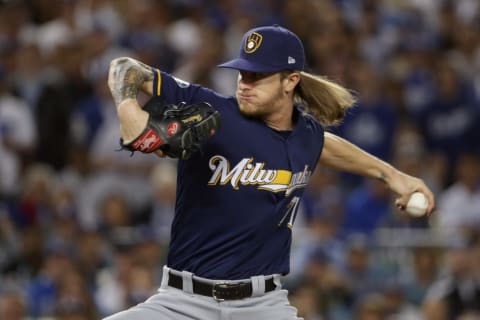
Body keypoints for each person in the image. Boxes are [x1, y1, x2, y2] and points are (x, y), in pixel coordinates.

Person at [105, 25, 435, 320]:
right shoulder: (215, 112)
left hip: (263, 306)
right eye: (242, 73)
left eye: (257, 76)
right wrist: (128, 108)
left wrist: (393, 175)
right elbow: (124, 68)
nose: (245, 84)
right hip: (182, 303)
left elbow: (327, 145)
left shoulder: (307, 134)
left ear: (291, 80)